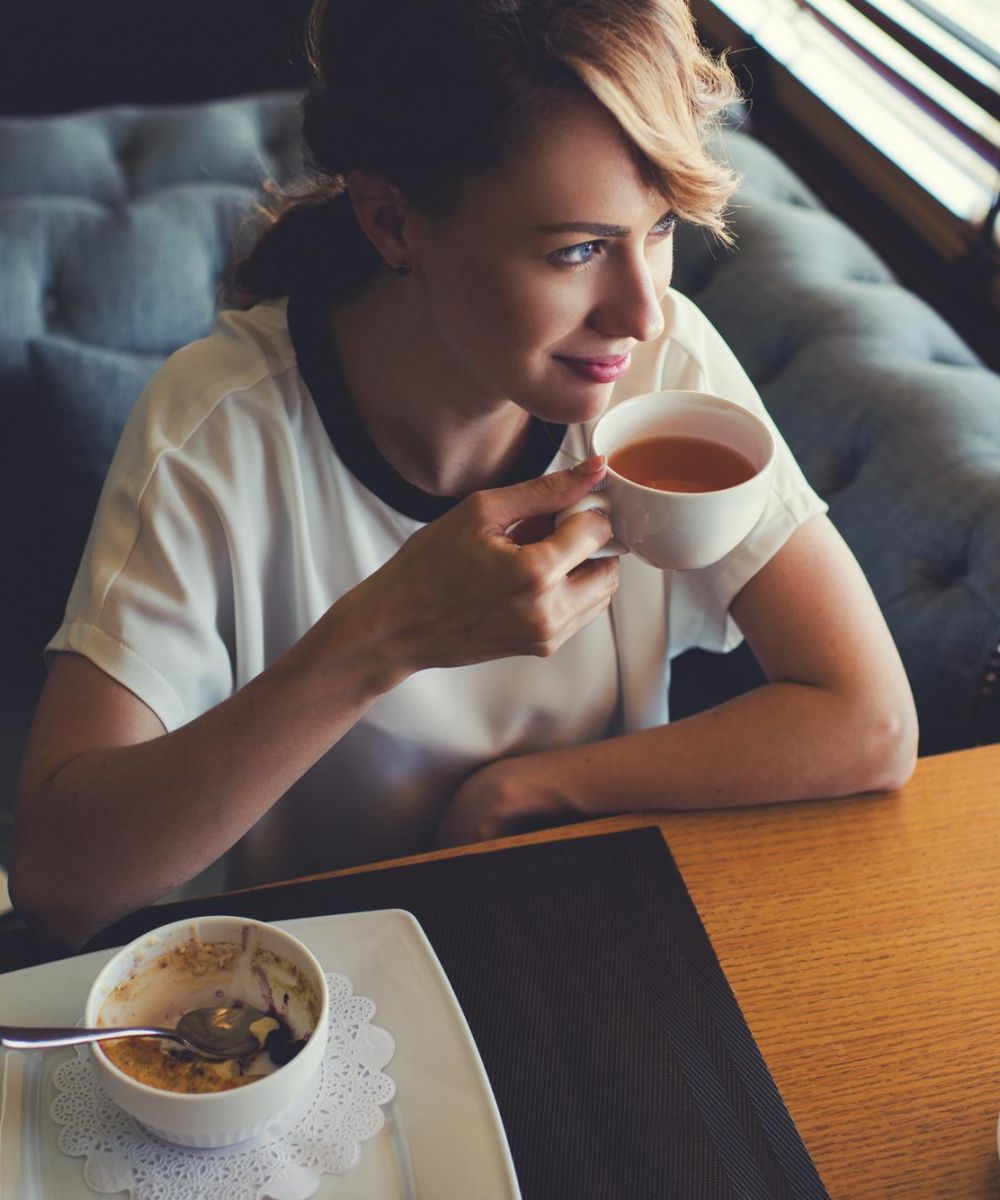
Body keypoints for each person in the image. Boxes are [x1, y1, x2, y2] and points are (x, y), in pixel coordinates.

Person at [11, 0, 918, 949]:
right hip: (314, 984)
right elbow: (62, 882)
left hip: (577, 935)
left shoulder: (663, 369)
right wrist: (380, 638)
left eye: (659, 229)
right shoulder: (214, 433)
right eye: (576, 250)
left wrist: (532, 789)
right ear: (394, 220)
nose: (643, 312)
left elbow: (869, 722)